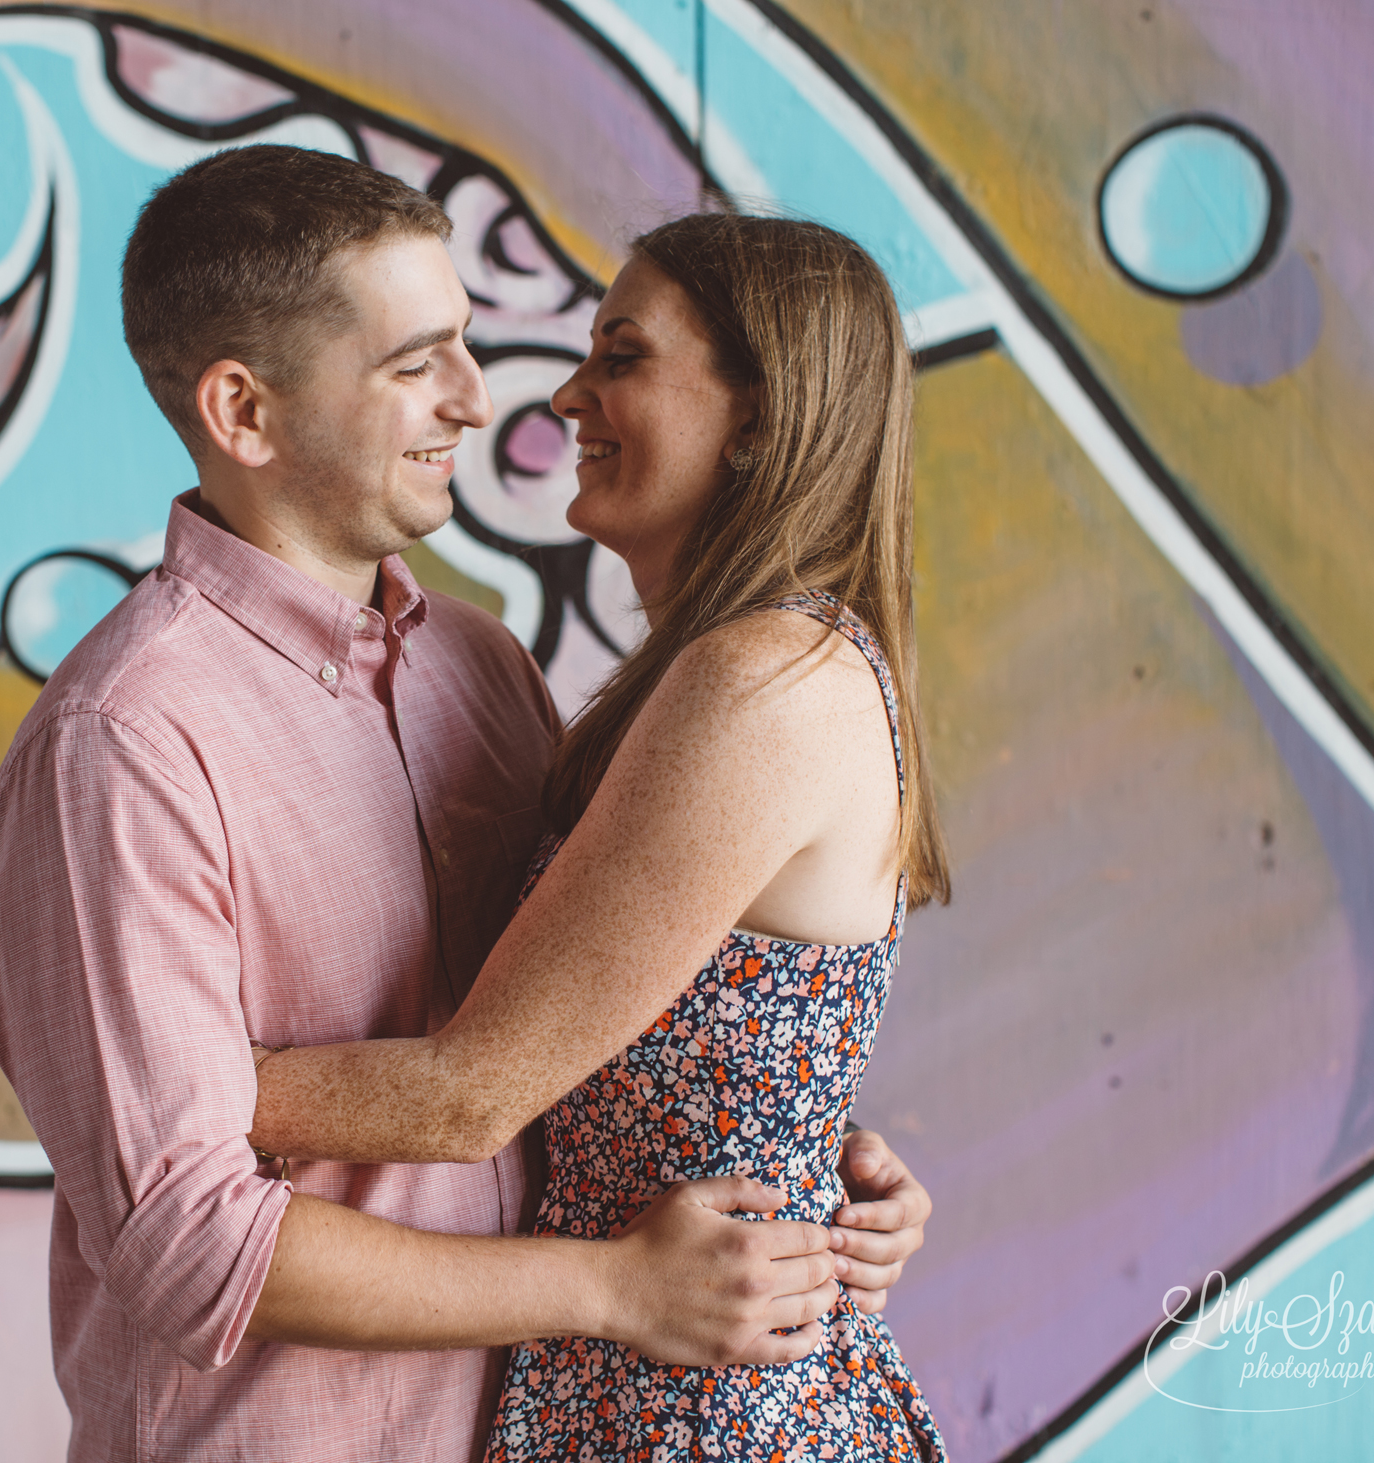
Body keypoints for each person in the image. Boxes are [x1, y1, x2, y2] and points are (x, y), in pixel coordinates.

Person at [0, 146, 930, 1463]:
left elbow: (545, 1052)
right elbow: (184, 1235)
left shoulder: (483, 672)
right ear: (244, 413)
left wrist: (787, 1148)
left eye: (465, 347)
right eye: (414, 361)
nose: (480, 402)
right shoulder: (124, 742)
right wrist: (614, 1282)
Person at [245, 212, 950, 1461]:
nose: (568, 391)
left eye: (621, 355)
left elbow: (471, 1093)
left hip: (705, 1414)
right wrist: (809, 1145)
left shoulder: (762, 678)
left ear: (761, 419)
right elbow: (710, 1026)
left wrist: (143, 1096)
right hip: (665, 1380)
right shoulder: (741, 667)